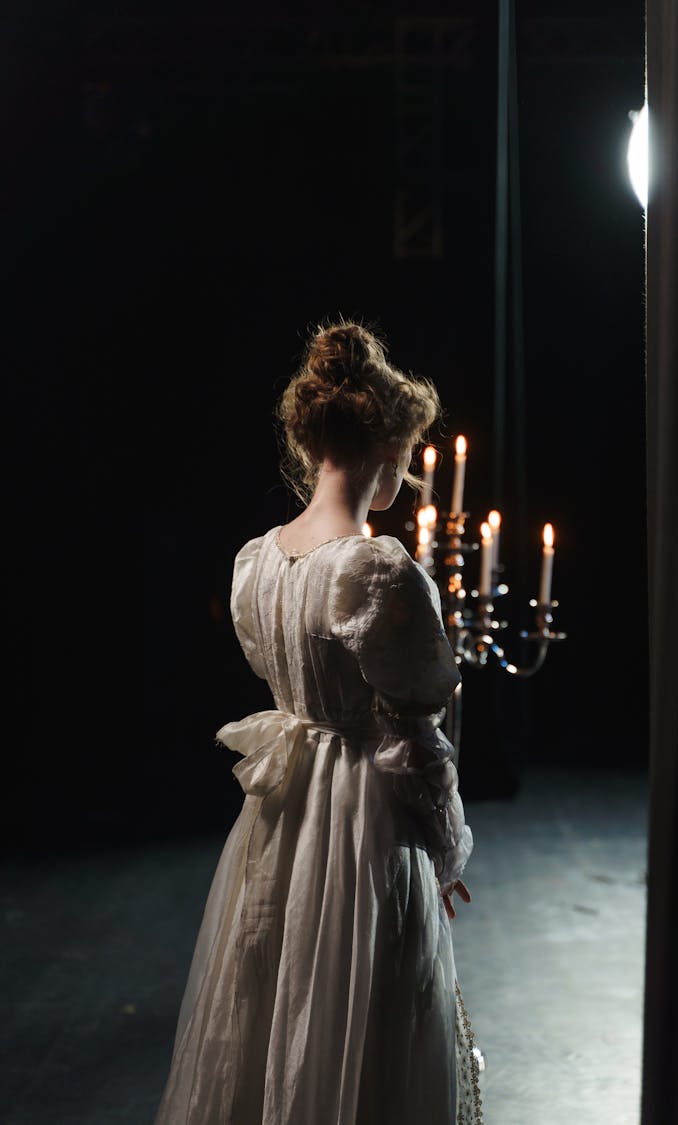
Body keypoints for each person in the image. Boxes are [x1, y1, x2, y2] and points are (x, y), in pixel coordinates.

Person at [153, 317, 481, 1125]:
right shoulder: (374, 567)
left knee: (276, 989)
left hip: (285, 810)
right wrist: (444, 846)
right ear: (391, 449)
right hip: (362, 814)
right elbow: (416, 741)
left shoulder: (257, 560)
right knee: (365, 1005)